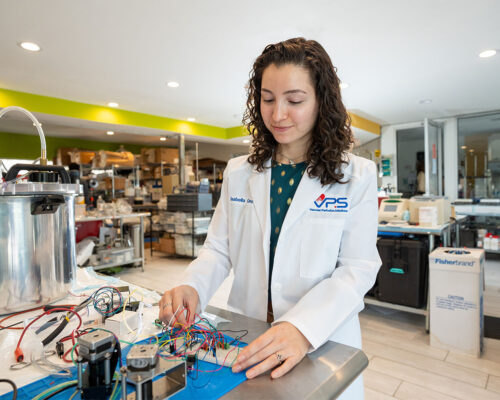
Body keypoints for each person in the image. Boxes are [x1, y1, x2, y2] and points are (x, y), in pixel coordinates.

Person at [159, 38, 381, 399]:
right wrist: (192, 287)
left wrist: (302, 328)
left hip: (320, 340)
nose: (278, 115)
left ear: (322, 101)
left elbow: (357, 268)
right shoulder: (238, 172)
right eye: (267, 99)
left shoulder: (357, 175)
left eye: (294, 100)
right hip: (246, 334)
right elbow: (218, 249)